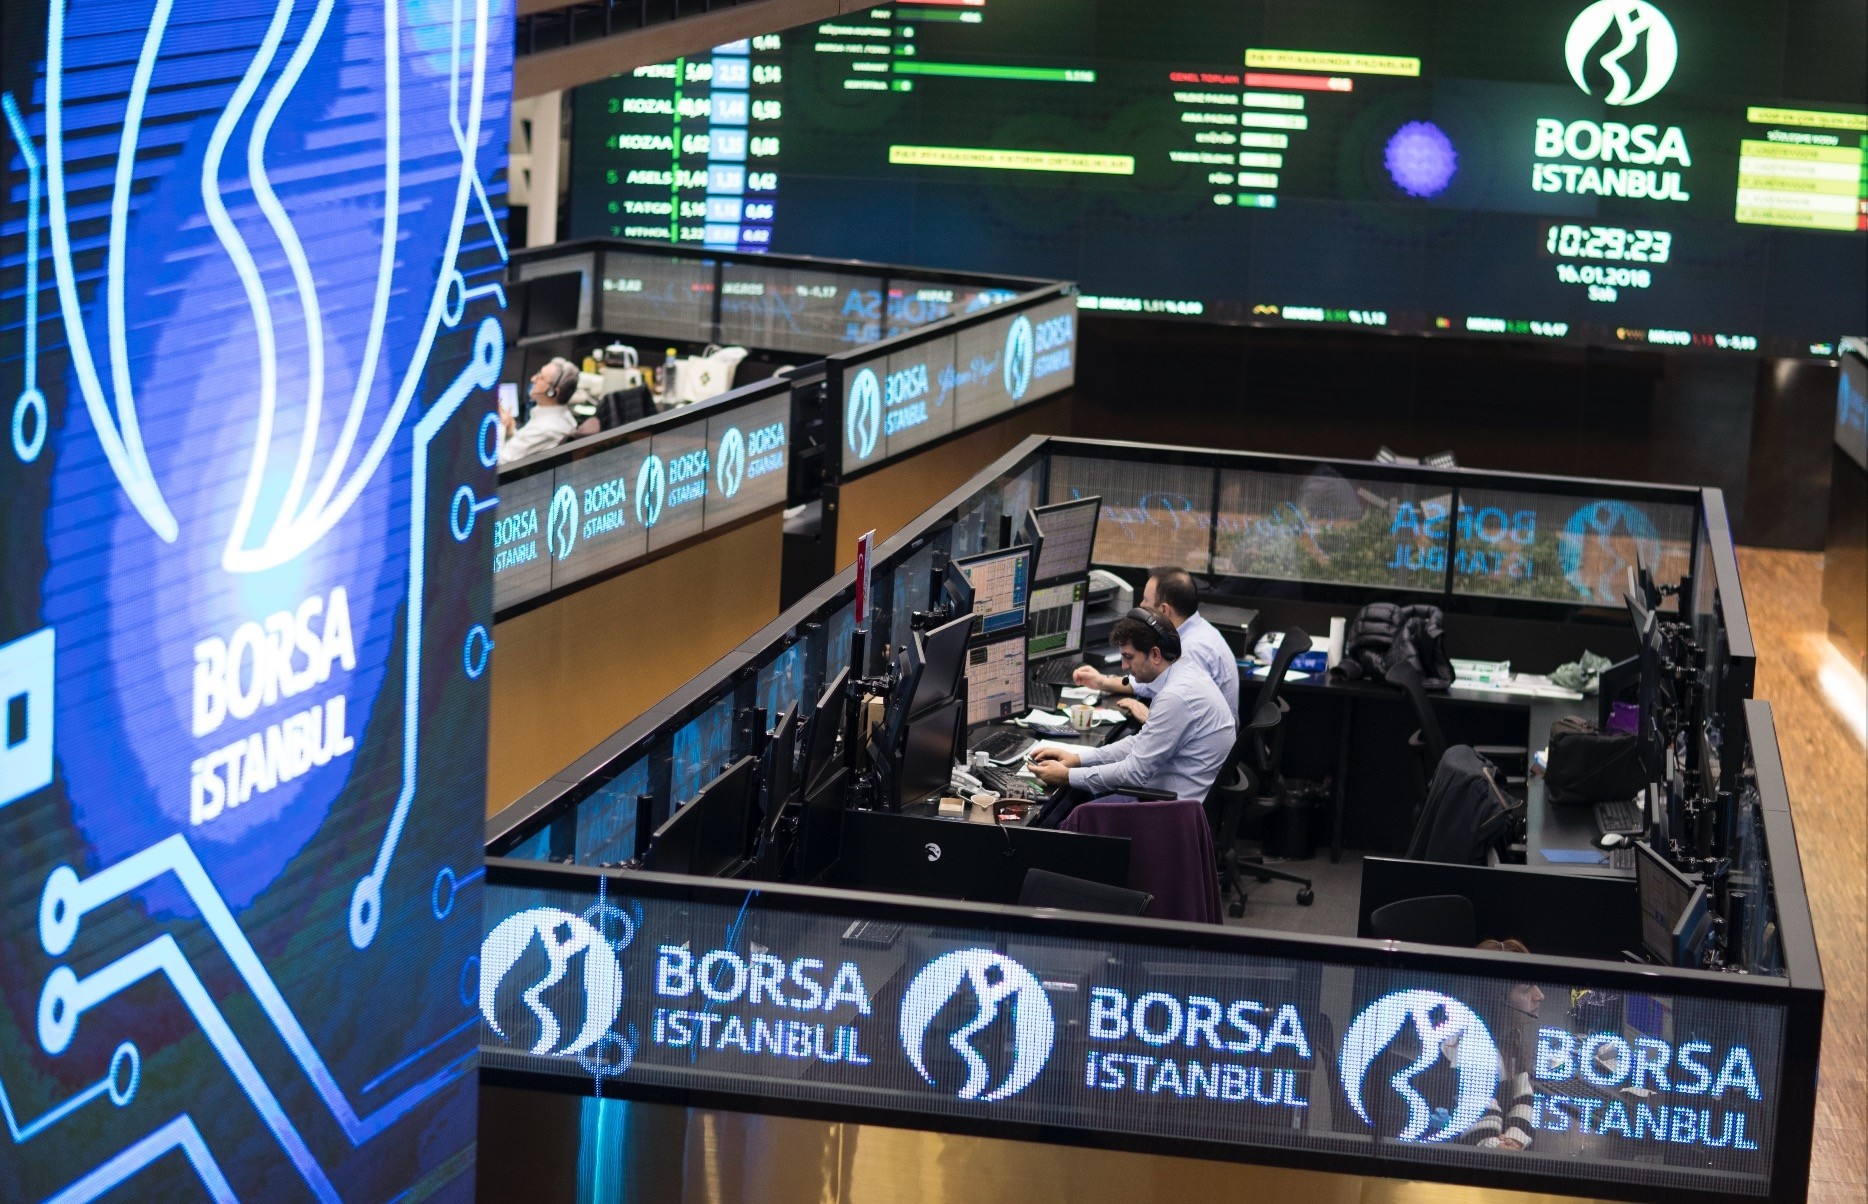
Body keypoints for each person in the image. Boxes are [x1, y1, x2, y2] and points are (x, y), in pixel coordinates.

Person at [1028, 610, 1236, 812]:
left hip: (1171, 812)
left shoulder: (1176, 697)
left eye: (1129, 657)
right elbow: (1142, 742)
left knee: (1069, 824)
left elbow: (1134, 773)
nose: (1124, 665)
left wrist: (1068, 776)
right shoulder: (1187, 672)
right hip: (1173, 796)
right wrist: (1078, 758)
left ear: (1155, 654)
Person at [1073, 566, 1239, 724]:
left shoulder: (1191, 650)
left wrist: (1150, 718)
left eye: (1146, 600)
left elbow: (1184, 715)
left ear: (1164, 610)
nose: (1141, 605)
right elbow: (1151, 685)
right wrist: (1103, 682)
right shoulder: (1198, 630)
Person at [498, 357, 581, 464]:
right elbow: (526, 448)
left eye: (541, 378)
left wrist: (499, 426)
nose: (533, 379)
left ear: (553, 392)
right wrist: (510, 431)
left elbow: (501, 462)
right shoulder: (564, 417)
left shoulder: (546, 429)